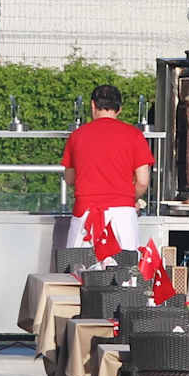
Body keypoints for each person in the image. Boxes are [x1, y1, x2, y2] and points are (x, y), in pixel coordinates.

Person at [62, 84, 153, 251]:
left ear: (93, 105)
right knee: (124, 266)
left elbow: (69, 179)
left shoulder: (77, 136)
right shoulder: (134, 135)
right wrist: (129, 198)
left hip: (85, 215)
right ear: (119, 109)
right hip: (123, 217)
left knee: (77, 266)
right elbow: (142, 181)